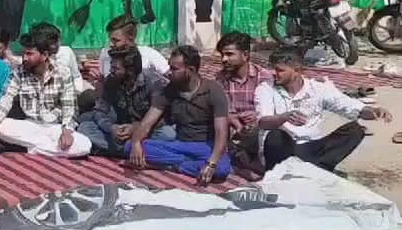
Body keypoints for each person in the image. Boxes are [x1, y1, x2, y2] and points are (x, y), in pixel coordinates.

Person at [254, 47, 391, 172]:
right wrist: (284, 117)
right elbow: (263, 122)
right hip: (284, 149)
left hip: (311, 146)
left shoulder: (318, 88)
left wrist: (373, 111)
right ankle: (311, 170)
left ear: (297, 70)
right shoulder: (265, 89)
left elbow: (349, 106)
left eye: (279, 70)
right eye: (273, 69)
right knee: (275, 136)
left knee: (355, 130)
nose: (274, 73)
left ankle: (313, 168)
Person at [125, 46, 232, 183]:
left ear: (191, 70)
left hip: (205, 146)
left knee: (221, 169)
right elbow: (147, 122)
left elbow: (221, 131)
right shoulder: (169, 90)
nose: (169, 72)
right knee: (129, 148)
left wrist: (212, 162)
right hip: (179, 144)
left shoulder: (213, 90)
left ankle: (173, 165)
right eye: (170, 67)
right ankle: (190, 165)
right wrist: (136, 143)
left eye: (174, 69)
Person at [0, 28, 91, 158]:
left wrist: (67, 131)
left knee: (85, 145)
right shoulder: (19, 72)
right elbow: (6, 100)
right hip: (29, 126)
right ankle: (47, 149)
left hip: (55, 127)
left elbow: (69, 107)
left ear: (45, 55)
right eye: (24, 53)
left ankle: (29, 148)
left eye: (29, 54)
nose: (24, 58)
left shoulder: (63, 73)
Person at [79, 46, 173, 156]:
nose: (111, 71)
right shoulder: (111, 80)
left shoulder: (154, 82)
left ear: (130, 71)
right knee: (85, 127)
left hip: (146, 129)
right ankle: (138, 151)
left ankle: (121, 150)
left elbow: (163, 119)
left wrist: (136, 128)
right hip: (121, 128)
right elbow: (100, 111)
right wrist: (112, 128)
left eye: (115, 68)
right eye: (111, 67)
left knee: (168, 134)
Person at [214, 32, 272, 137]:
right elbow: (223, 109)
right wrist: (232, 119)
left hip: (259, 129)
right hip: (231, 129)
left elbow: (271, 109)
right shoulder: (220, 79)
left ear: (245, 55)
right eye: (222, 55)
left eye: (229, 54)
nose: (224, 59)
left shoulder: (264, 77)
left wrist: (257, 115)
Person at [85, 15, 170, 88]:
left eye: (116, 40)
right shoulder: (106, 53)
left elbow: (169, 76)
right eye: (111, 40)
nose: (111, 44)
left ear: (131, 38)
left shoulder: (149, 54)